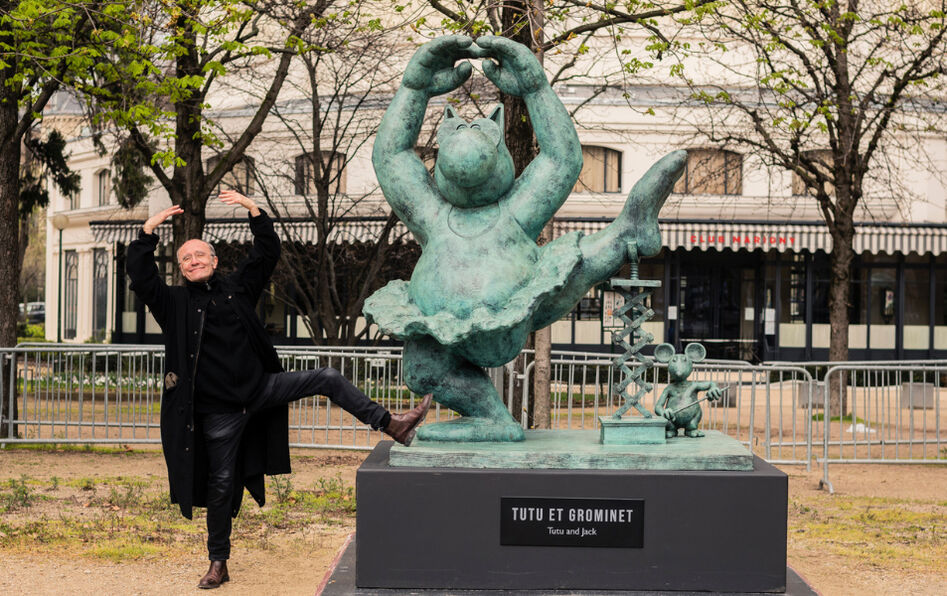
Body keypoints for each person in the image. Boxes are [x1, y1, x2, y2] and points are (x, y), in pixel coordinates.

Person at [126, 189, 431, 589]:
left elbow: (266, 254)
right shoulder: (174, 304)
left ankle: (393, 425)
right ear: (181, 269)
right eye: (186, 258)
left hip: (262, 389)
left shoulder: (237, 289)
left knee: (327, 377)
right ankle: (218, 562)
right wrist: (148, 232)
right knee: (220, 486)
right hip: (218, 413)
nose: (193, 260)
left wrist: (254, 211)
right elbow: (142, 277)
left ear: (214, 261)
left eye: (200, 255)